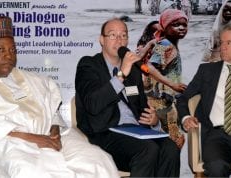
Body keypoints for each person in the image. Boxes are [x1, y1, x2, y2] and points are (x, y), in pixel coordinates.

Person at [0, 16, 119, 178]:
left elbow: (52, 113)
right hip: (14, 144)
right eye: (0, 50)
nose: (9, 56)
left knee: (98, 161)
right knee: (34, 172)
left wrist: (54, 131)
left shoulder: (33, 80)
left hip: (54, 138)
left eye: (12, 50)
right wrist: (33, 138)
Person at [75, 18, 180, 177]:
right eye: (113, 35)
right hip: (105, 133)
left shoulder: (134, 71)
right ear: (101, 40)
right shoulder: (89, 65)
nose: (119, 39)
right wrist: (121, 74)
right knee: (148, 150)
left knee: (170, 149)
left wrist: (154, 121)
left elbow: (142, 107)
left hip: (135, 132)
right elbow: (92, 104)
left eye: (123, 35)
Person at [176, 24, 231, 177]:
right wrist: (185, 118)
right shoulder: (207, 71)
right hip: (215, 136)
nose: (222, 47)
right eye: (221, 42)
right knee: (217, 166)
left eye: (228, 43)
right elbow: (183, 98)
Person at [140, 9, 188, 148]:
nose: (181, 28)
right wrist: (172, 84)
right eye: (175, 24)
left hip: (163, 100)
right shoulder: (165, 45)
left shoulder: (164, 42)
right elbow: (150, 67)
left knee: (173, 140)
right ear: (165, 27)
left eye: (184, 25)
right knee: (176, 140)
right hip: (160, 102)